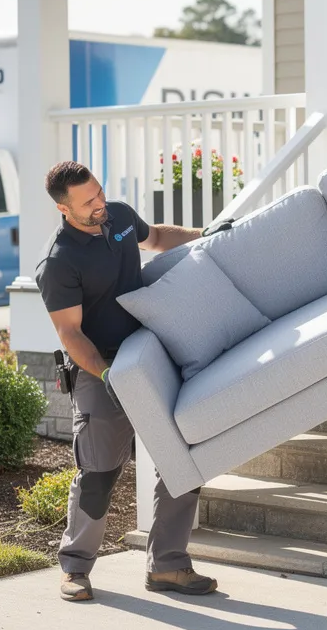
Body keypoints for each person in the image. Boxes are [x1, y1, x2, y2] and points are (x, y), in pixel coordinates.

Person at [36, 160, 230, 602]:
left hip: (148, 356)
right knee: (98, 473)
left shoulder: (118, 215)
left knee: (181, 460)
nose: (100, 204)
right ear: (64, 210)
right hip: (99, 368)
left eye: (100, 192)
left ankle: (169, 566)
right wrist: (106, 375)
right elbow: (70, 334)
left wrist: (205, 235)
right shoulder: (59, 262)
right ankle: (75, 568)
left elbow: (157, 238)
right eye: (88, 202)